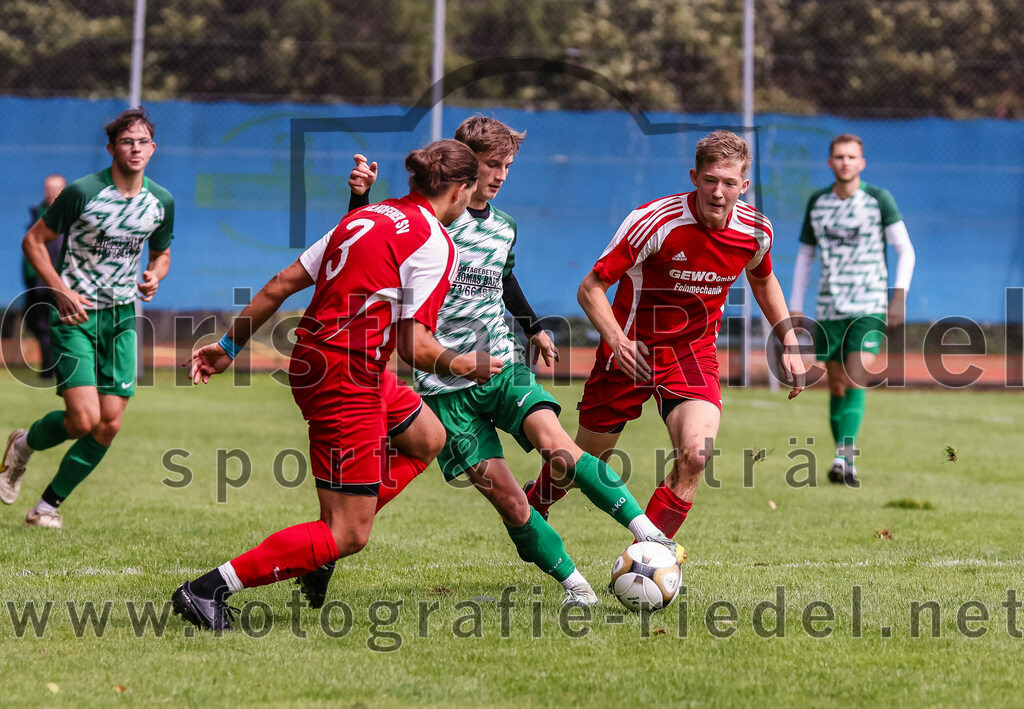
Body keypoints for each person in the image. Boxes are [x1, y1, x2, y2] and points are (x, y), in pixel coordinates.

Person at [346, 115, 686, 609]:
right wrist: (359, 198)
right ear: (465, 165)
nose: (502, 175)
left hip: (502, 368)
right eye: (493, 164)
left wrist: (534, 328)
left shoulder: (504, 227)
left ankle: (650, 534)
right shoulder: (428, 224)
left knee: (560, 450)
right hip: (444, 389)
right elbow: (365, 244)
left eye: (508, 165)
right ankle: (577, 587)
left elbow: (503, 278)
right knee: (510, 500)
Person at [171, 140, 501, 631]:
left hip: (322, 362)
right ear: (459, 190)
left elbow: (280, 284)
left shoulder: (364, 217)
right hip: (346, 376)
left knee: (427, 437)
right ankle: (207, 589)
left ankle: (319, 545)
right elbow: (415, 347)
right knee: (349, 533)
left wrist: (227, 346)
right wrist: (466, 364)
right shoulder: (435, 243)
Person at [524, 130, 806, 541]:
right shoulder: (654, 222)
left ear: (744, 186)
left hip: (692, 355)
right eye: (710, 180)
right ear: (694, 177)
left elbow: (763, 281)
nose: (718, 192)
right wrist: (618, 342)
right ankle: (534, 504)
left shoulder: (756, 231)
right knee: (581, 467)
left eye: (729, 183)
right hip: (630, 352)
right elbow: (590, 288)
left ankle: (650, 556)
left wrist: (789, 340)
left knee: (696, 456)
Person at [0, 108, 174, 528]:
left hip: (122, 319)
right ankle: (22, 446)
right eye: (127, 142)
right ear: (112, 148)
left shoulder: (161, 202)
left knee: (109, 423)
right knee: (82, 420)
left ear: (153, 148)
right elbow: (33, 241)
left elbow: (162, 253)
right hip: (75, 314)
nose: (135, 149)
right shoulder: (82, 192)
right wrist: (59, 289)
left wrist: (155, 275)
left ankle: (46, 508)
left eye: (142, 142)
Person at [788, 133, 915, 487]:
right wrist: (795, 304)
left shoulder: (878, 200)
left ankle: (843, 456)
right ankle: (844, 461)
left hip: (869, 305)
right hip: (829, 307)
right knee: (837, 384)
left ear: (862, 163)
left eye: (851, 157)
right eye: (839, 156)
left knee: (856, 375)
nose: (845, 162)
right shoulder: (818, 203)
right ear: (830, 162)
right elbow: (806, 255)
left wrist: (898, 296)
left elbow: (905, 249)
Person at [20, 174, 67, 379]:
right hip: (38, 282)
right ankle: (50, 367)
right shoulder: (38, 215)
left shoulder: (71, 216)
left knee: (59, 326)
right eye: (49, 188)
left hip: (62, 283)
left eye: (57, 188)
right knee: (36, 323)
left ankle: (54, 369)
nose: (52, 192)